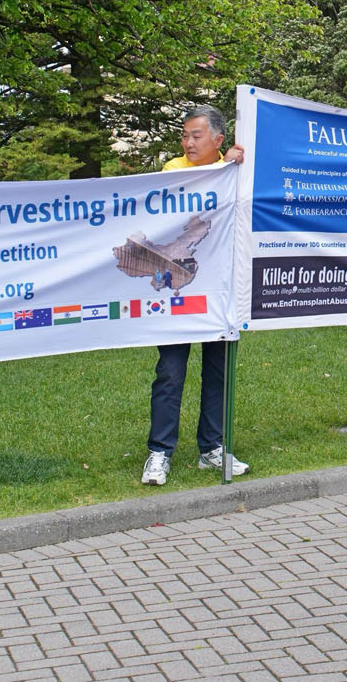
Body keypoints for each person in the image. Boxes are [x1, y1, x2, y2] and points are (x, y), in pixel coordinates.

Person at [141, 105, 248, 487]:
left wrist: (234, 167)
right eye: (184, 136)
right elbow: (192, 189)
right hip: (179, 288)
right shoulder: (173, 170)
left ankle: (212, 448)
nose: (187, 143)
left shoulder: (237, 171)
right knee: (170, 371)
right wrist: (225, 169)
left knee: (218, 370)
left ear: (218, 140)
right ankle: (159, 452)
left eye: (196, 136)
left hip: (222, 289)